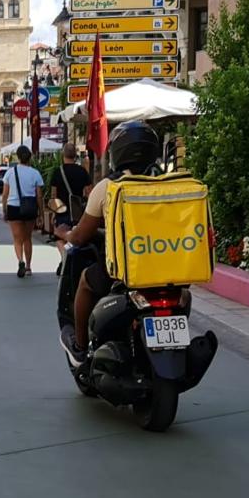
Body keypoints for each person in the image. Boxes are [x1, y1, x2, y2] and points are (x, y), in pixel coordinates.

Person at [63, 121, 161, 362]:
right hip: (164, 267)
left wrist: (68, 234)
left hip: (124, 270)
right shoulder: (167, 183)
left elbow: (82, 235)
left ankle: (80, 345)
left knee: (86, 282)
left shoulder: (109, 187)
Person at [49, 143, 92, 275]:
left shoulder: (57, 172)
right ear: (75, 155)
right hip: (78, 211)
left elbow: (53, 195)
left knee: (59, 236)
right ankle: (69, 259)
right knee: (76, 236)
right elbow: (89, 192)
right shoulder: (82, 171)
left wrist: (53, 212)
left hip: (62, 210)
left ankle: (65, 257)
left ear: (63, 154)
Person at [2, 145, 45, 278]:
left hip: (13, 207)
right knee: (27, 238)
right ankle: (28, 266)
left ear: (18, 157)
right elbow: (39, 195)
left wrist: (4, 210)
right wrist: (41, 213)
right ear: (30, 157)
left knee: (17, 239)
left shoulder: (10, 172)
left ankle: (20, 260)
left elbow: (5, 194)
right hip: (30, 207)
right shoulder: (35, 173)